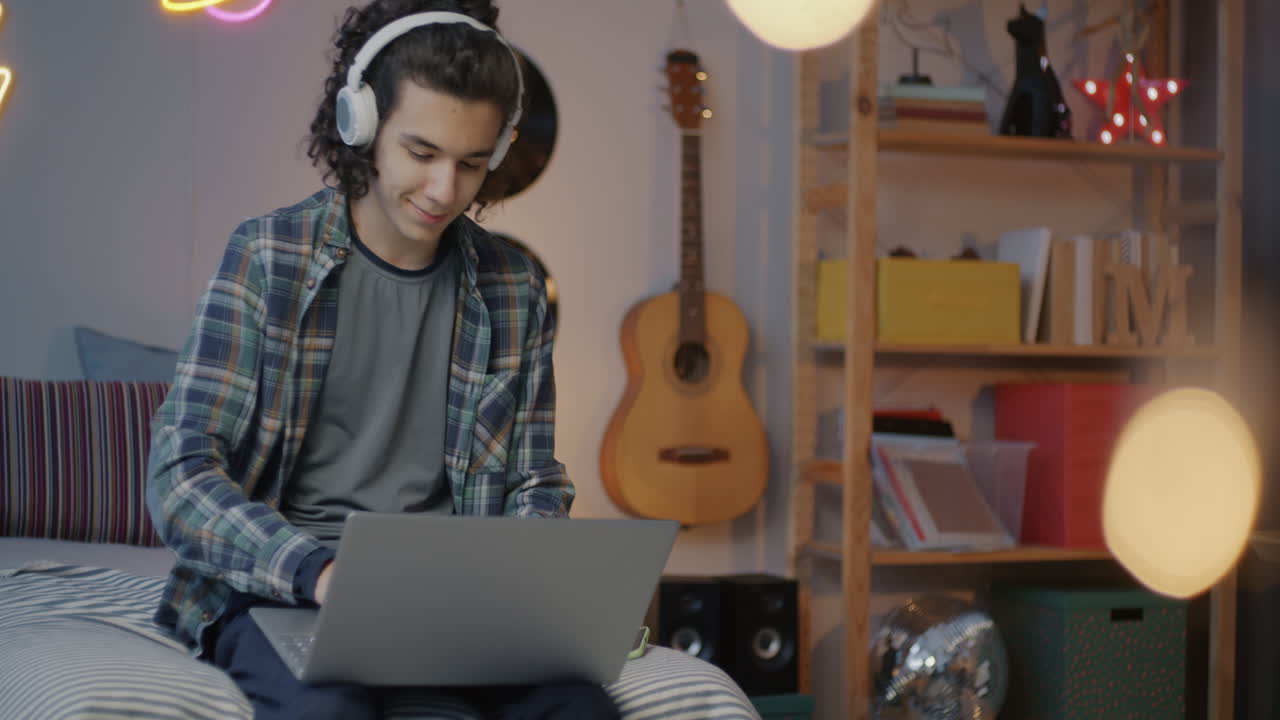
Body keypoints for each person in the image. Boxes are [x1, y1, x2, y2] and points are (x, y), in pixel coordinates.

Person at [145, 1, 616, 717]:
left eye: (470, 164)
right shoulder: (269, 257)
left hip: (456, 606)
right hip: (287, 587)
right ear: (358, 126)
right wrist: (321, 572)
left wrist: (530, 591)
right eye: (421, 153)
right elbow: (181, 475)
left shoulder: (513, 289)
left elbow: (534, 481)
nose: (444, 191)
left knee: (582, 709)